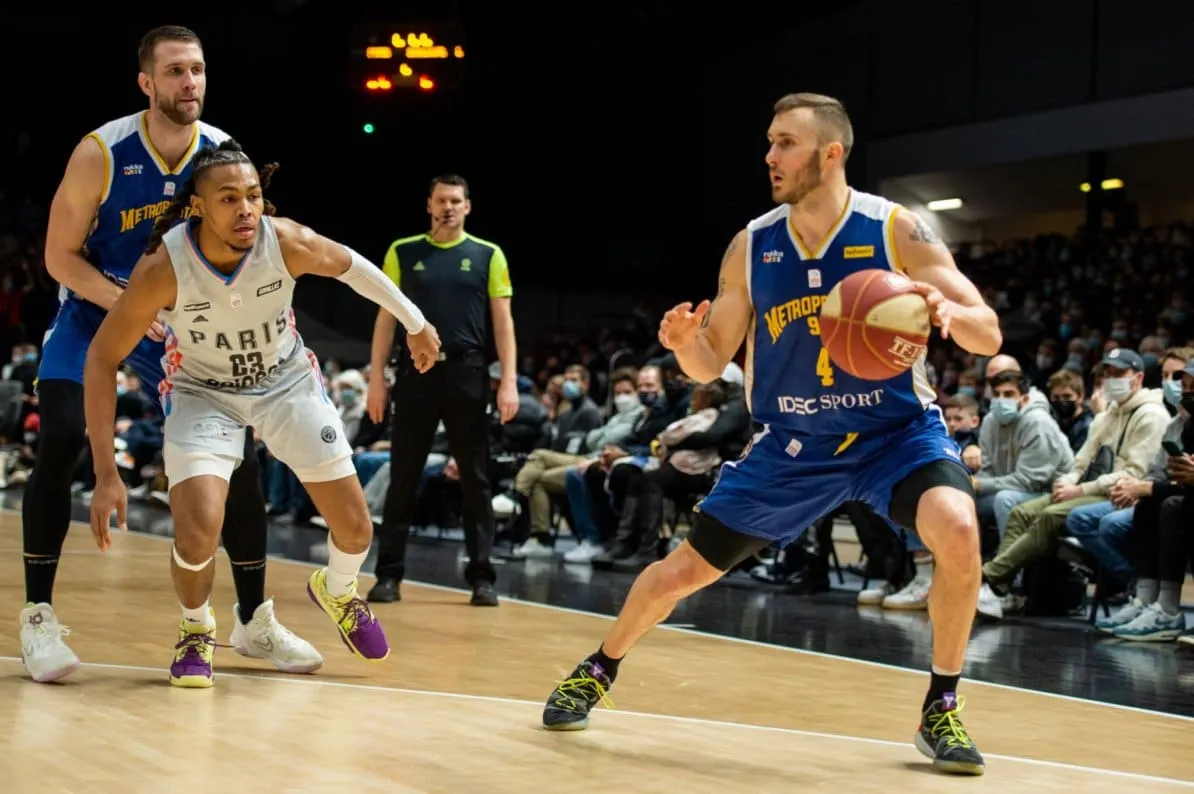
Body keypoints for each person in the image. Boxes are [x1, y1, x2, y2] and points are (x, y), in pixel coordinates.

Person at [540, 93, 1001, 777]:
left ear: (831, 153)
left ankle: (942, 706)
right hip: (794, 445)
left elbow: (988, 334)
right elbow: (711, 361)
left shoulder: (896, 229)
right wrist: (686, 345)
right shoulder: (752, 244)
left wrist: (948, 314)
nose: (770, 156)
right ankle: (599, 667)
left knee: (959, 529)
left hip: (895, 435)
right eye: (770, 141)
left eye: (786, 142)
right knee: (681, 573)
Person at [19, 24, 321, 683]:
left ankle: (253, 620)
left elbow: (251, 249)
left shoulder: (221, 155)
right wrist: (131, 304)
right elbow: (58, 258)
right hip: (96, 310)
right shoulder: (101, 153)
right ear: (146, 83)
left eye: (198, 70)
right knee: (62, 433)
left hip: (180, 323)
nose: (190, 82)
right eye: (176, 71)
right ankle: (37, 616)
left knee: (239, 458)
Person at [83, 140, 441, 688]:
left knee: (355, 528)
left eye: (252, 195)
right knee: (198, 533)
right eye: (229, 198)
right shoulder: (164, 268)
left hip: (284, 383)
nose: (246, 209)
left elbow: (353, 267)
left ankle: (338, 591)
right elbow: (102, 358)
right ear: (199, 206)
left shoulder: (285, 241)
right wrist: (106, 472)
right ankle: (195, 628)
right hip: (203, 392)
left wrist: (415, 323)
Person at [365, 175, 519, 607]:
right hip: (415, 373)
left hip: (468, 374)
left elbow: (503, 322)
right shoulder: (403, 251)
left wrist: (508, 380)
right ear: (429, 205)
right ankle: (388, 575)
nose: (448, 207)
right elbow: (385, 318)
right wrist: (376, 379)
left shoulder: (488, 254)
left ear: (468, 206)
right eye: (441, 200)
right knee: (403, 476)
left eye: (455, 200)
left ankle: (482, 578)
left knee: (475, 478)